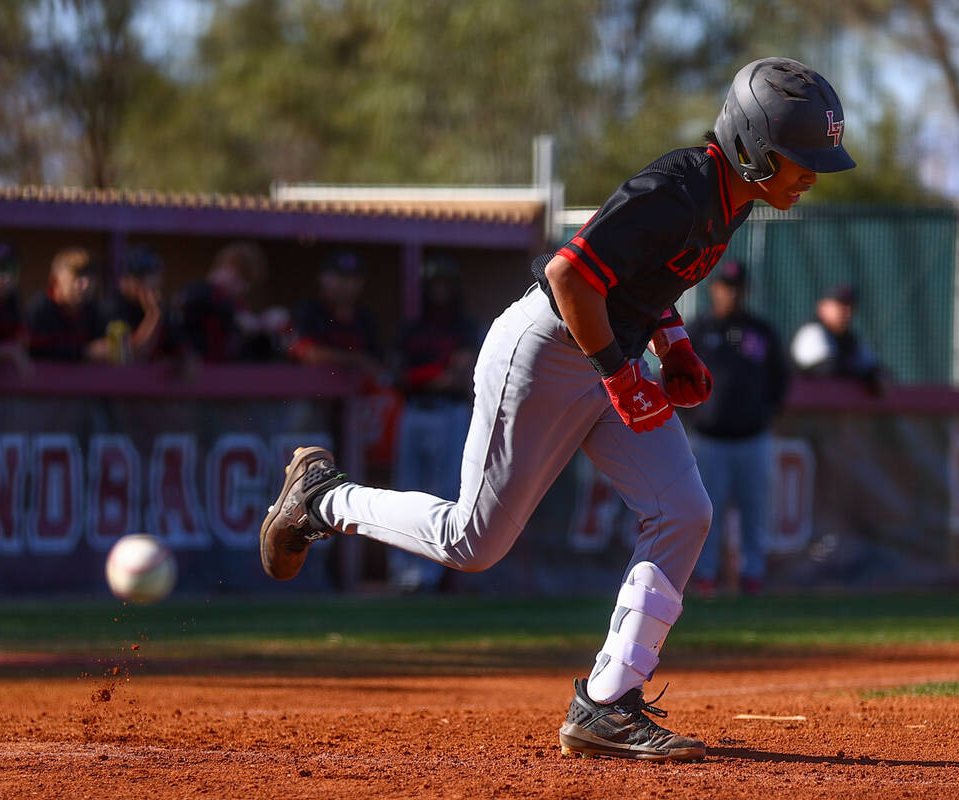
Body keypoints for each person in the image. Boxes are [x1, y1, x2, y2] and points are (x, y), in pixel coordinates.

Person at [260, 57, 855, 762]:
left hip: (609, 351)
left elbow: (647, 279)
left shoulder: (735, 196)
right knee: (471, 543)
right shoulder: (677, 188)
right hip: (547, 349)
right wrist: (618, 372)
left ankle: (607, 702)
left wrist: (673, 344)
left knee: (685, 512)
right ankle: (324, 499)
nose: (811, 175)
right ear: (755, 148)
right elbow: (568, 275)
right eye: (800, 160)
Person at [685, 260, 787, 597]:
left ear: (746, 291)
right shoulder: (698, 330)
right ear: (714, 289)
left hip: (752, 437)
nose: (731, 293)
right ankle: (705, 577)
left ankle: (752, 576)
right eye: (726, 286)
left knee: (754, 512)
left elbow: (780, 380)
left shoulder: (761, 331)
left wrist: (768, 413)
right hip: (709, 438)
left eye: (737, 287)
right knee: (705, 513)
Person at [389, 256, 481, 592]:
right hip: (414, 411)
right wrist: (433, 375)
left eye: (444, 284)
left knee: (442, 493)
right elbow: (397, 375)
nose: (439, 291)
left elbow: (460, 373)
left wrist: (429, 376)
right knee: (405, 490)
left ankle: (430, 575)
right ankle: (403, 573)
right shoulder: (412, 327)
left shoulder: (464, 327)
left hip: (450, 412)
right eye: (433, 284)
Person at [287, 250, 384, 376]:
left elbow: (377, 364)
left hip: (357, 391)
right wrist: (356, 360)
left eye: (354, 279)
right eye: (341, 277)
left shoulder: (365, 318)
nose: (348, 285)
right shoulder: (309, 311)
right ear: (322, 278)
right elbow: (305, 352)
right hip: (310, 389)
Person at [174, 241, 271, 361]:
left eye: (247, 282)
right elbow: (190, 306)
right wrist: (235, 317)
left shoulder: (236, 304)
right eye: (240, 278)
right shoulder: (199, 292)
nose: (244, 287)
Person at [790, 283, 883, 393]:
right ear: (822, 307)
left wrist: (873, 376)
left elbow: (876, 370)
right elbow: (824, 370)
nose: (847, 312)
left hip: (830, 407)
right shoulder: (811, 331)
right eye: (841, 305)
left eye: (851, 307)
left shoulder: (850, 339)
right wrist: (865, 376)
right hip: (798, 406)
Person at [26, 247, 110, 362]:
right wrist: (84, 352)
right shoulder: (41, 309)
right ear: (54, 280)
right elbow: (37, 353)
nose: (85, 286)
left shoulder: (95, 310)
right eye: (78, 277)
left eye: (91, 278)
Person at [97, 245, 173, 363]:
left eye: (155, 277)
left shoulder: (163, 308)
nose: (150, 286)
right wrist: (154, 316)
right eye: (140, 278)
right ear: (124, 281)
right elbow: (129, 356)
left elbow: (182, 352)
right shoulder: (112, 308)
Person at [0, 241, 31, 374]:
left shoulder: (14, 299)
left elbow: (20, 340)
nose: (6, 276)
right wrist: (7, 352)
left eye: (12, 268)